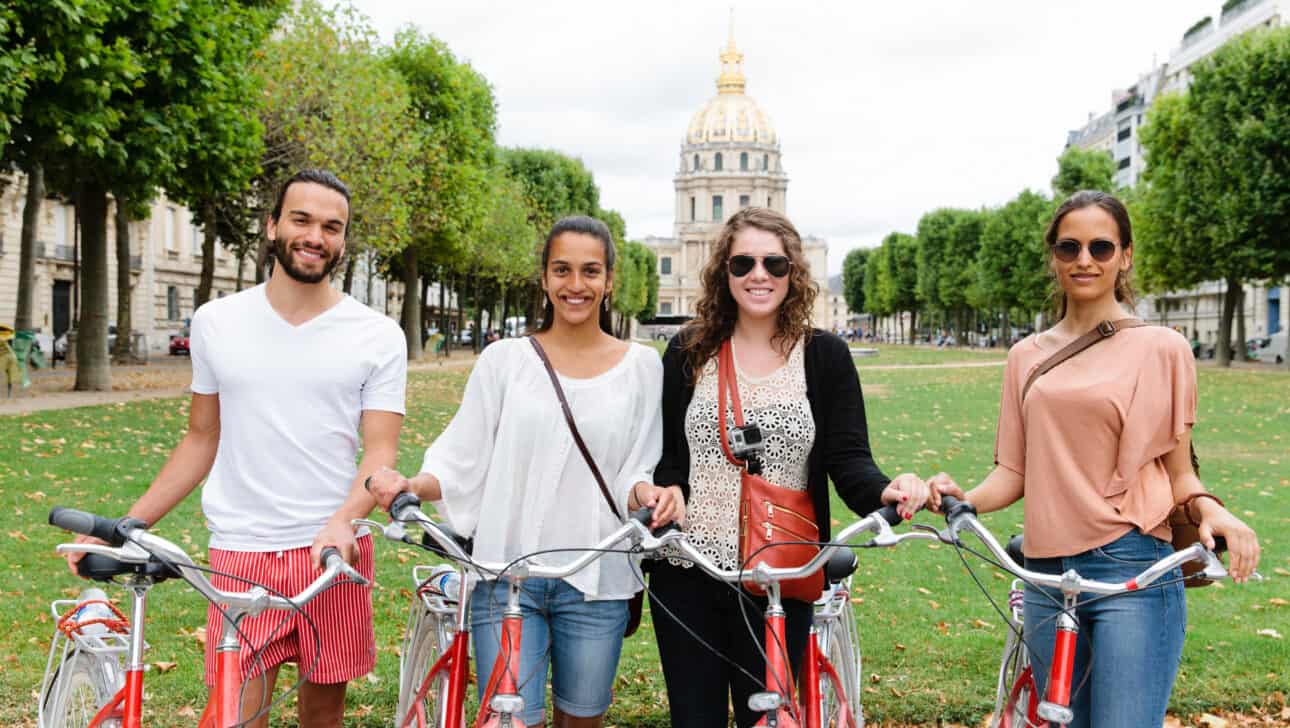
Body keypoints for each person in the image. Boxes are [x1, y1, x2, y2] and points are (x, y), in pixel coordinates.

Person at [66, 169, 407, 728]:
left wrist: (346, 520)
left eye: (331, 226)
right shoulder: (217, 322)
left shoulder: (376, 334)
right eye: (301, 219)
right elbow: (203, 436)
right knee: (233, 715)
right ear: (273, 226)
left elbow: (380, 453)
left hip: (334, 556)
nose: (315, 236)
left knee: (323, 714)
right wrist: (125, 524)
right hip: (241, 554)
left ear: (344, 240)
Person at [930, 190, 1260, 728]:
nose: (1085, 260)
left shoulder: (1163, 348)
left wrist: (1214, 512)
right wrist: (961, 498)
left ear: (1124, 256)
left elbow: (1179, 473)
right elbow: (1013, 471)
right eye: (1070, 247)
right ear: (1054, 256)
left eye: (1101, 247)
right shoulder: (1025, 357)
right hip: (1042, 573)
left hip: (1131, 566)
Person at [367, 216, 683, 728]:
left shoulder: (642, 367)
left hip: (598, 580)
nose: (575, 285)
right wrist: (412, 486)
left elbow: (636, 467)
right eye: (562, 270)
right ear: (544, 277)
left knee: (582, 719)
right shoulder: (505, 360)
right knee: (512, 721)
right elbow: (462, 458)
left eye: (590, 271)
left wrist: (650, 492)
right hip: (505, 574)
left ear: (609, 281)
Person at [647, 206, 932, 728]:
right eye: (743, 264)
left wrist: (887, 490)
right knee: (694, 720)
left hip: (780, 572)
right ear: (723, 272)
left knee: (771, 718)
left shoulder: (824, 356)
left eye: (774, 264)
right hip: (688, 568)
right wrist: (666, 491)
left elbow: (849, 462)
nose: (759, 275)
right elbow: (670, 459)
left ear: (793, 272)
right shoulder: (688, 351)